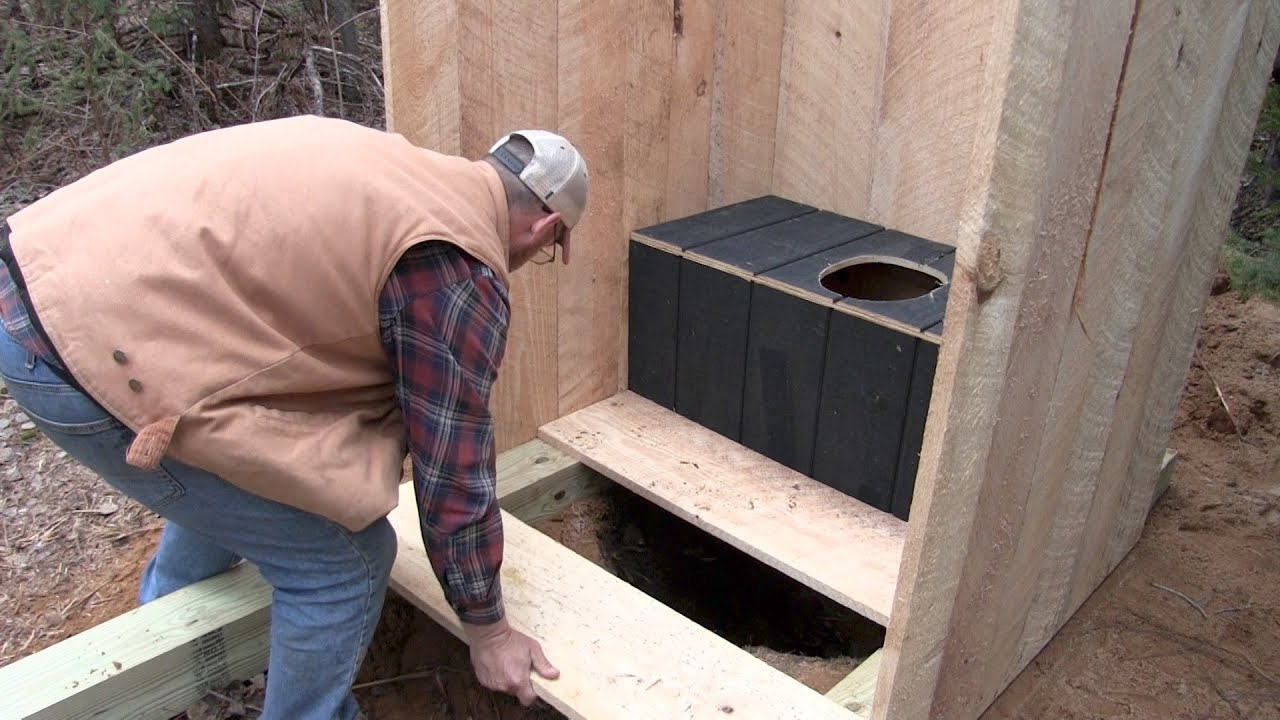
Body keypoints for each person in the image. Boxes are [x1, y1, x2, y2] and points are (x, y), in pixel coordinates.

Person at [0, 115, 588, 719]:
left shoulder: (402, 172)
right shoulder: (456, 268)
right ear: (543, 227)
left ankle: (173, 650)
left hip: (43, 270)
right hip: (79, 351)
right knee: (346, 562)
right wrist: (488, 630)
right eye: (546, 252)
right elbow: (452, 470)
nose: (532, 258)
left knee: (246, 475)